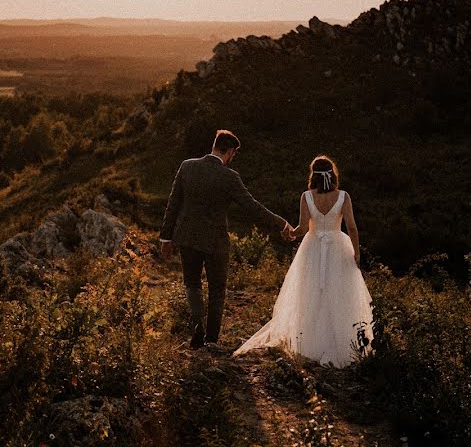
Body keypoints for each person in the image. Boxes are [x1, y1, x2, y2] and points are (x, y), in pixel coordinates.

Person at [232, 155, 374, 366]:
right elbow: (352, 227)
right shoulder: (343, 196)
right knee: (340, 293)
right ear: (333, 175)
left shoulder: (307, 196)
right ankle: (341, 341)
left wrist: (290, 233)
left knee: (311, 292)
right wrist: (356, 253)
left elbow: (304, 228)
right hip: (338, 246)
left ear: (313, 176)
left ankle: (308, 342)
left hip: (312, 248)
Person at [160, 130, 292, 350]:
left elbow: (173, 204)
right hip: (216, 242)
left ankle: (197, 329)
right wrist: (281, 223)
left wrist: (166, 237)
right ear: (230, 151)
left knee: (192, 284)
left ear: (214, 145)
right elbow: (253, 208)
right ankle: (211, 339)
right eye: (234, 154)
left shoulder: (187, 166)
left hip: (188, 237)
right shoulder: (230, 177)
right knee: (217, 290)